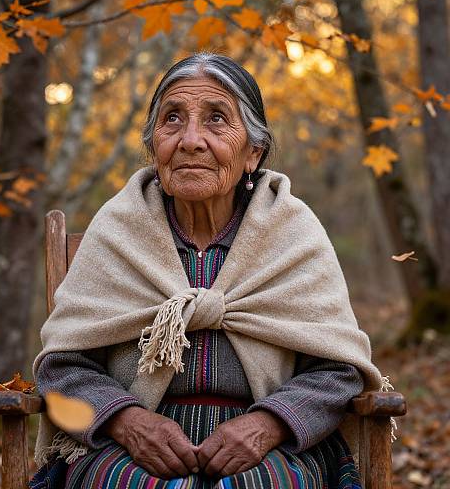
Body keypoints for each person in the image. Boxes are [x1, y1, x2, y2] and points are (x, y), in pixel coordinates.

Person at [32, 53, 383, 489]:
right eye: (172, 120)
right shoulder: (118, 231)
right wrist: (127, 421)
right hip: (126, 442)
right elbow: (63, 367)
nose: (190, 140)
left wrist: (268, 425)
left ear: (253, 151)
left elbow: (338, 371)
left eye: (216, 119)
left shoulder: (291, 234)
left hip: (271, 442)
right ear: (153, 146)